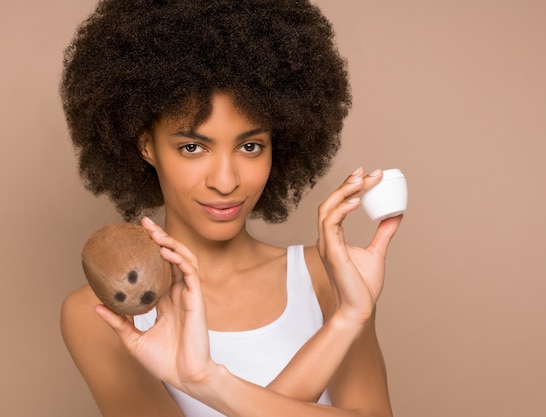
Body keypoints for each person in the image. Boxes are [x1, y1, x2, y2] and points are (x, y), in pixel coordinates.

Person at [59, 1, 402, 416]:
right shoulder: (105, 315)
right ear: (146, 146)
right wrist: (340, 326)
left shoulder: (329, 277)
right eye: (192, 147)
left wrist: (350, 314)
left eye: (250, 146)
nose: (225, 181)